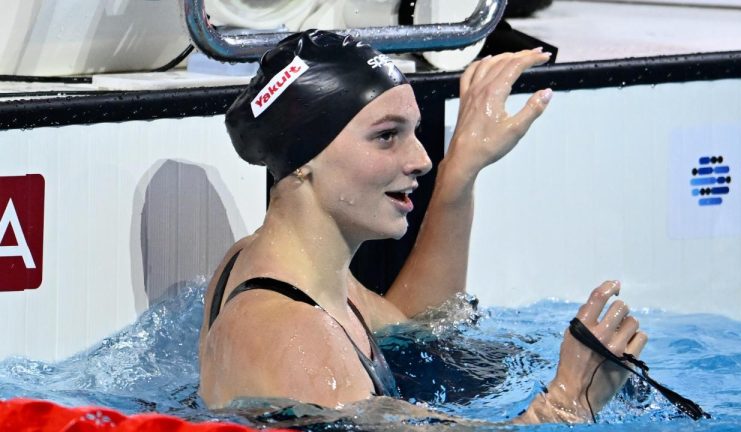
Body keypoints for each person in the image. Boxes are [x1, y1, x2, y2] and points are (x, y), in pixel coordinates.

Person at [198, 30, 647, 423]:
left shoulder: (279, 269)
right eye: (386, 135)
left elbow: (422, 327)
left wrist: (460, 174)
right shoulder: (291, 334)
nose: (420, 159)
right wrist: (565, 403)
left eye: (414, 132)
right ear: (304, 157)